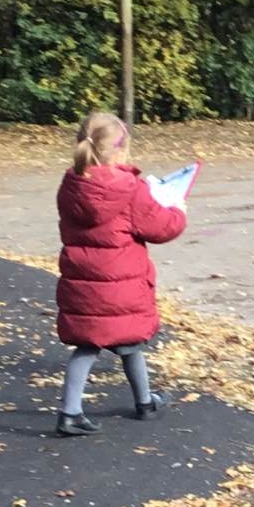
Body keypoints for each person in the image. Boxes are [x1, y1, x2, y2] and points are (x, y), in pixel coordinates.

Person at [54, 111, 186, 437]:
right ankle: (142, 402)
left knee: (89, 345)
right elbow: (160, 228)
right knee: (130, 341)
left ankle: (73, 411)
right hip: (121, 284)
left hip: (84, 282)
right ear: (121, 150)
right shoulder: (130, 188)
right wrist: (178, 210)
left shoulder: (71, 185)